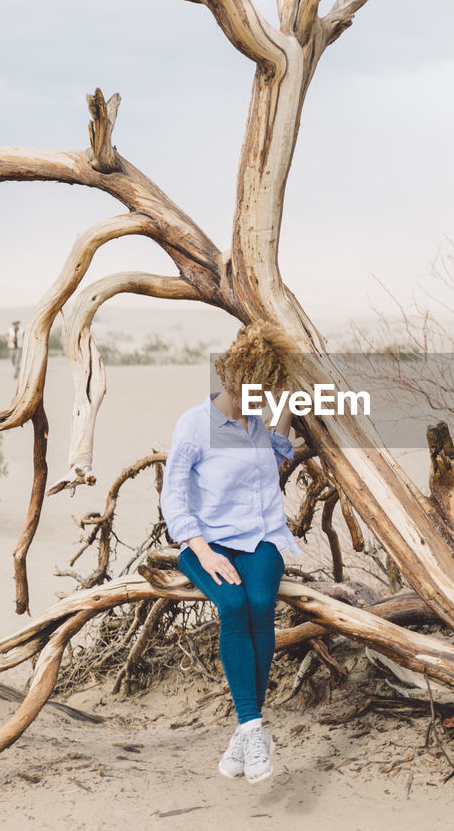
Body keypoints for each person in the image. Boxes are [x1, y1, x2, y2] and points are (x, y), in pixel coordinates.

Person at [159, 323, 301, 784]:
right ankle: (254, 729)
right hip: (207, 542)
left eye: (263, 397)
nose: (255, 406)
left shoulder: (257, 423)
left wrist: (288, 404)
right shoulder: (194, 425)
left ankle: (247, 733)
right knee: (234, 606)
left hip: (262, 538)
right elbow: (174, 499)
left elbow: (278, 452)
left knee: (261, 605)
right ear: (231, 380)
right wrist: (203, 551)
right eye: (251, 396)